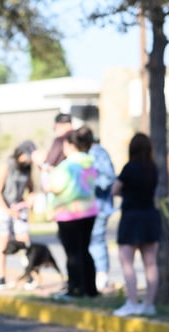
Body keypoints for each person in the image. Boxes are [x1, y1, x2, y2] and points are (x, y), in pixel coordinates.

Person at [44, 126, 99, 299]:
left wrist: (46, 174)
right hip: (89, 212)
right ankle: (90, 289)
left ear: (71, 146)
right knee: (84, 251)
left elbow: (54, 187)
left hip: (69, 213)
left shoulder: (67, 166)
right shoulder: (90, 163)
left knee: (73, 254)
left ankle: (75, 290)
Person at [112, 133, 161, 317]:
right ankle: (149, 304)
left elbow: (114, 189)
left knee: (127, 262)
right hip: (150, 216)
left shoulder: (129, 168)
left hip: (132, 217)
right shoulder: (153, 168)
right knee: (151, 263)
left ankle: (132, 302)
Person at [0, 140, 36, 290]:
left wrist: (30, 200)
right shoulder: (6, 165)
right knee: (3, 242)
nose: (28, 160)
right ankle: (1, 279)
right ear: (20, 153)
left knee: (24, 242)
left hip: (18, 207)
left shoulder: (28, 168)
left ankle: (29, 275)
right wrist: (7, 210)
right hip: (3, 206)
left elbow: (31, 187)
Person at [88, 138, 117, 290]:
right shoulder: (97, 153)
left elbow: (107, 179)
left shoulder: (96, 153)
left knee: (96, 240)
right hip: (95, 205)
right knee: (95, 240)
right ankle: (99, 275)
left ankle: (101, 276)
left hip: (98, 205)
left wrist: (89, 183)